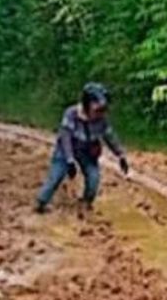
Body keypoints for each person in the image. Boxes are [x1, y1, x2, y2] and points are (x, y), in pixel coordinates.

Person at [35, 82, 130, 213]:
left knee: (94, 179)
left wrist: (120, 155)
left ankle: (85, 203)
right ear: (87, 105)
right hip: (65, 150)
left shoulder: (102, 121)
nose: (100, 113)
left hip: (87, 152)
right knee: (56, 176)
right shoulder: (71, 114)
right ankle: (41, 203)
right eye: (98, 110)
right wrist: (69, 159)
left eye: (103, 110)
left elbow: (110, 137)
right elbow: (65, 137)